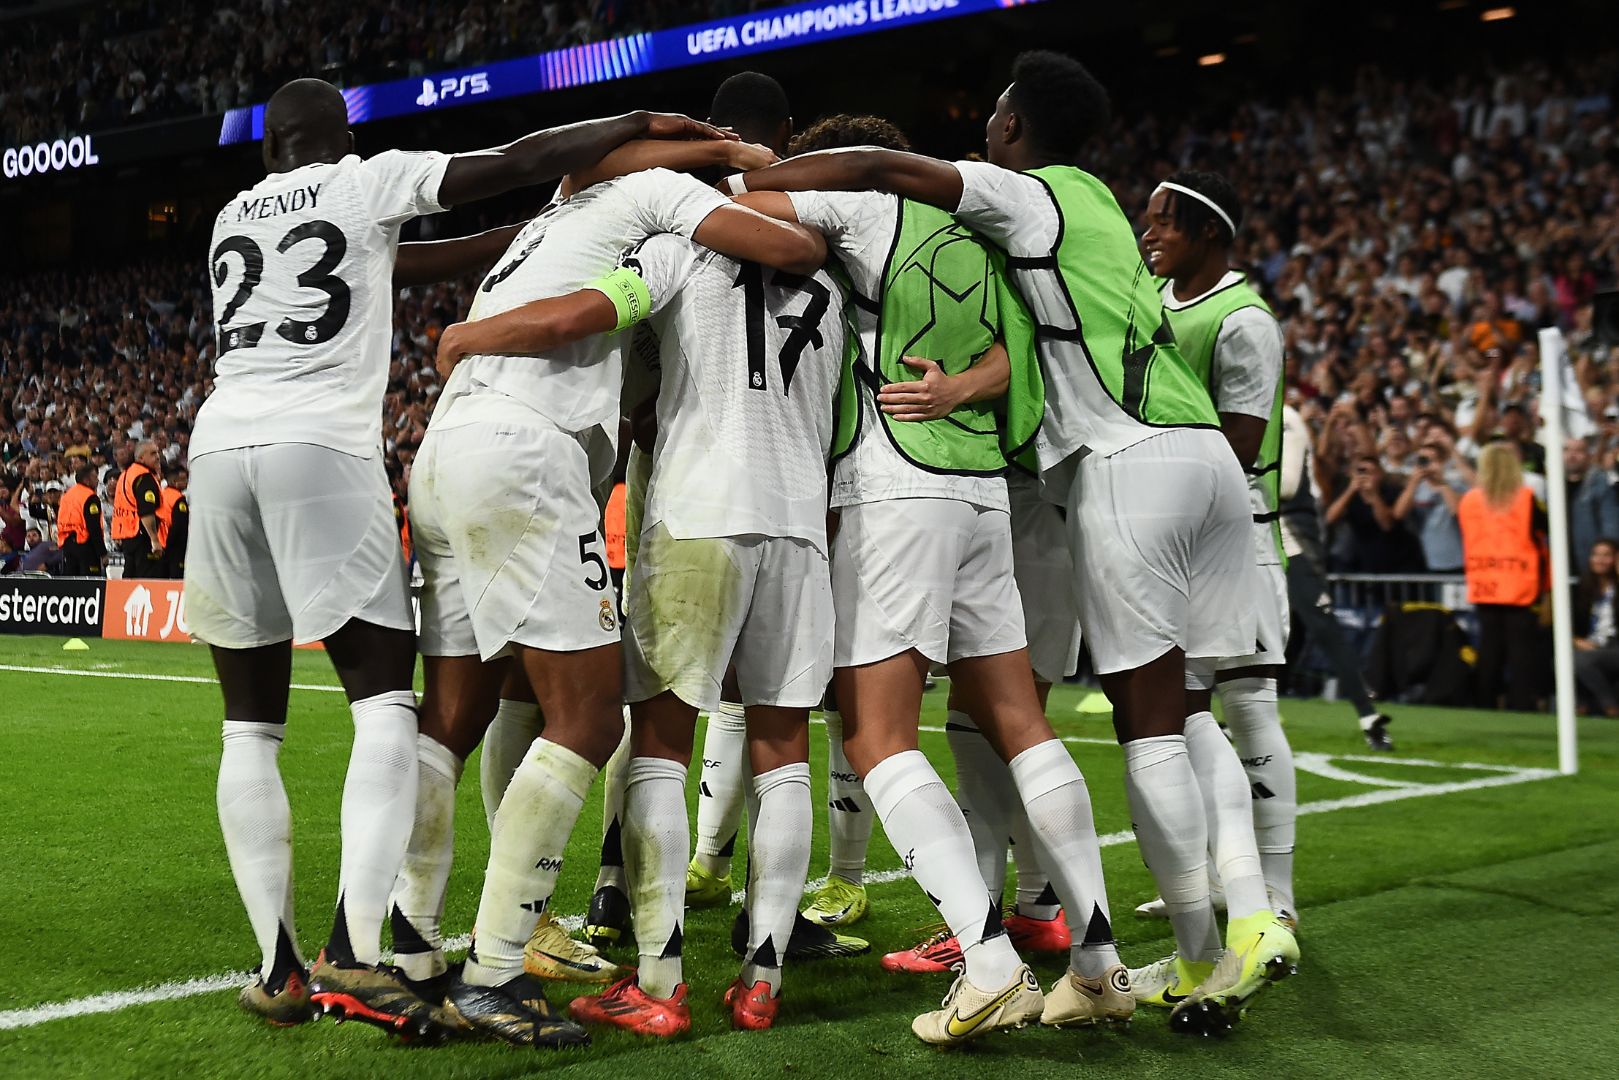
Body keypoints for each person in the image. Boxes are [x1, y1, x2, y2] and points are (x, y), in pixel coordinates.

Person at [734, 49, 1298, 1037]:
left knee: (1102, 724)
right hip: (1164, 465)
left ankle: (1076, 954)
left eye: (994, 111)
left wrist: (756, 171)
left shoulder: (1018, 199)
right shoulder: (1082, 223)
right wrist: (962, 383)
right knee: (1162, 710)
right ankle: (1188, 931)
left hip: (1081, 466)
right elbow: (1016, 344)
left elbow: (889, 173)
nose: (983, 124)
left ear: (1012, 127)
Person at [187, 75, 735, 1034]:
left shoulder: (231, 213)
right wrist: (642, 125)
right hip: (321, 447)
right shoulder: (364, 181)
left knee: (248, 730)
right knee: (390, 708)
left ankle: (279, 968)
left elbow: (416, 258)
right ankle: (359, 950)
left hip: (218, 442)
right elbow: (516, 158)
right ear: (340, 133)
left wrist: (539, 236)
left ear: (268, 144)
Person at [397, 140, 824, 1046]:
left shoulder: (632, 248)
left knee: (469, 713)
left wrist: (465, 335)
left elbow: (592, 314)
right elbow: (799, 261)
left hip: (468, 449)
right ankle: (521, 967)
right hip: (795, 512)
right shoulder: (835, 260)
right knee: (761, 740)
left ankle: (409, 942)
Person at [1137, 169, 1300, 934]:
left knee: (1250, 705)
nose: (1148, 234)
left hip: (1238, 536)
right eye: (1146, 221)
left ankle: (1277, 891)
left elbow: (1238, 440)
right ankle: (1207, 877)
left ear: (1208, 231)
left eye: (1164, 222)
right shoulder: (1152, 303)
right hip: (1179, 540)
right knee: (1183, 713)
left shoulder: (1243, 319)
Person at [1277, 405, 1396, 750]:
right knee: (1264, 633)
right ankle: (1243, 716)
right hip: (1256, 530)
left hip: (1291, 533)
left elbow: (1285, 485)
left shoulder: (1285, 417)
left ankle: (1368, 716)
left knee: (1322, 626)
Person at [1457, 441, 1547, 711]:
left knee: (1490, 649)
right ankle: (1520, 706)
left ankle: (1485, 704)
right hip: (1520, 585)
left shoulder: (1469, 500)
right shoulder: (1526, 498)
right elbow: (1544, 535)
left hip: (1484, 583)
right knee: (1521, 653)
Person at [1393, 425, 1472, 574]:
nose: (1426, 465)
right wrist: (1413, 483)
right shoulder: (1415, 487)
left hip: (1458, 562)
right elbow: (1398, 514)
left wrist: (1441, 483)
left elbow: (1458, 512)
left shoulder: (1455, 484)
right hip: (1427, 562)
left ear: (1442, 463)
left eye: (1432, 460)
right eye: (1423, 460)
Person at [1325, 455, 1425, 573]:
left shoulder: (1391, 491)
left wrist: (1373, 495)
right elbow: (1330, 518)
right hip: (1366, 564)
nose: (1365, 476)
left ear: (1379, 475)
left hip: (1399, 563)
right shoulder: (1349, 495)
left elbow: (1387, 525)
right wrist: (1351, 489)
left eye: (1370, 472)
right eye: (1361, 471)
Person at [1572, 538, 1619, 716]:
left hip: (1614, 647)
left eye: (1606, 555)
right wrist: (1576, 640)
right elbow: (1568, 623)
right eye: (1596, 554)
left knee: (1582, 660)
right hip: (1590, 645)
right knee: (1564, 660)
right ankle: (1581, 708)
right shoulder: (1581, 588)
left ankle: (1611, 707)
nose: (1599, 559)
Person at [1564, 438, 1619, 570]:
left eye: (1579, 451)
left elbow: (1610, 526)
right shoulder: (1552, 487)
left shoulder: (1600, 484)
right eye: (1567, 450)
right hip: (1557, 567)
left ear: (1589, 456)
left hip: (1590, 568)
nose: (1572, 455)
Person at [112, 440, 164, 578]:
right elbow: (146, 511)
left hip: (127, 535)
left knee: (129, 576)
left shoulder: (126, 475)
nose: (158, 456)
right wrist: (154, 539)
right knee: (147, 579)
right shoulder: (144, 476)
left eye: (157, 452)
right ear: (141, 458)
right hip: (142, 535)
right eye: (152, 453)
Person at [55, 464, 106, 577]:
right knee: (89, 584)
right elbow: (94, 527)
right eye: (94, 477)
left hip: (67, 544)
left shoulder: (67, 496)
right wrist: (102, 553)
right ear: (87, 480)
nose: (97, 480)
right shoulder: (90, 497)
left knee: (71, 585)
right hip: (85, 545)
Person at [156, 465, 188, 580]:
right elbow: (180, 526)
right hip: (174, 547)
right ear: (175, 481)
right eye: (184, 479)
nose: (187, 482)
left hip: (160, 543)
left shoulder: (161, 494)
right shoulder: (178, 499)